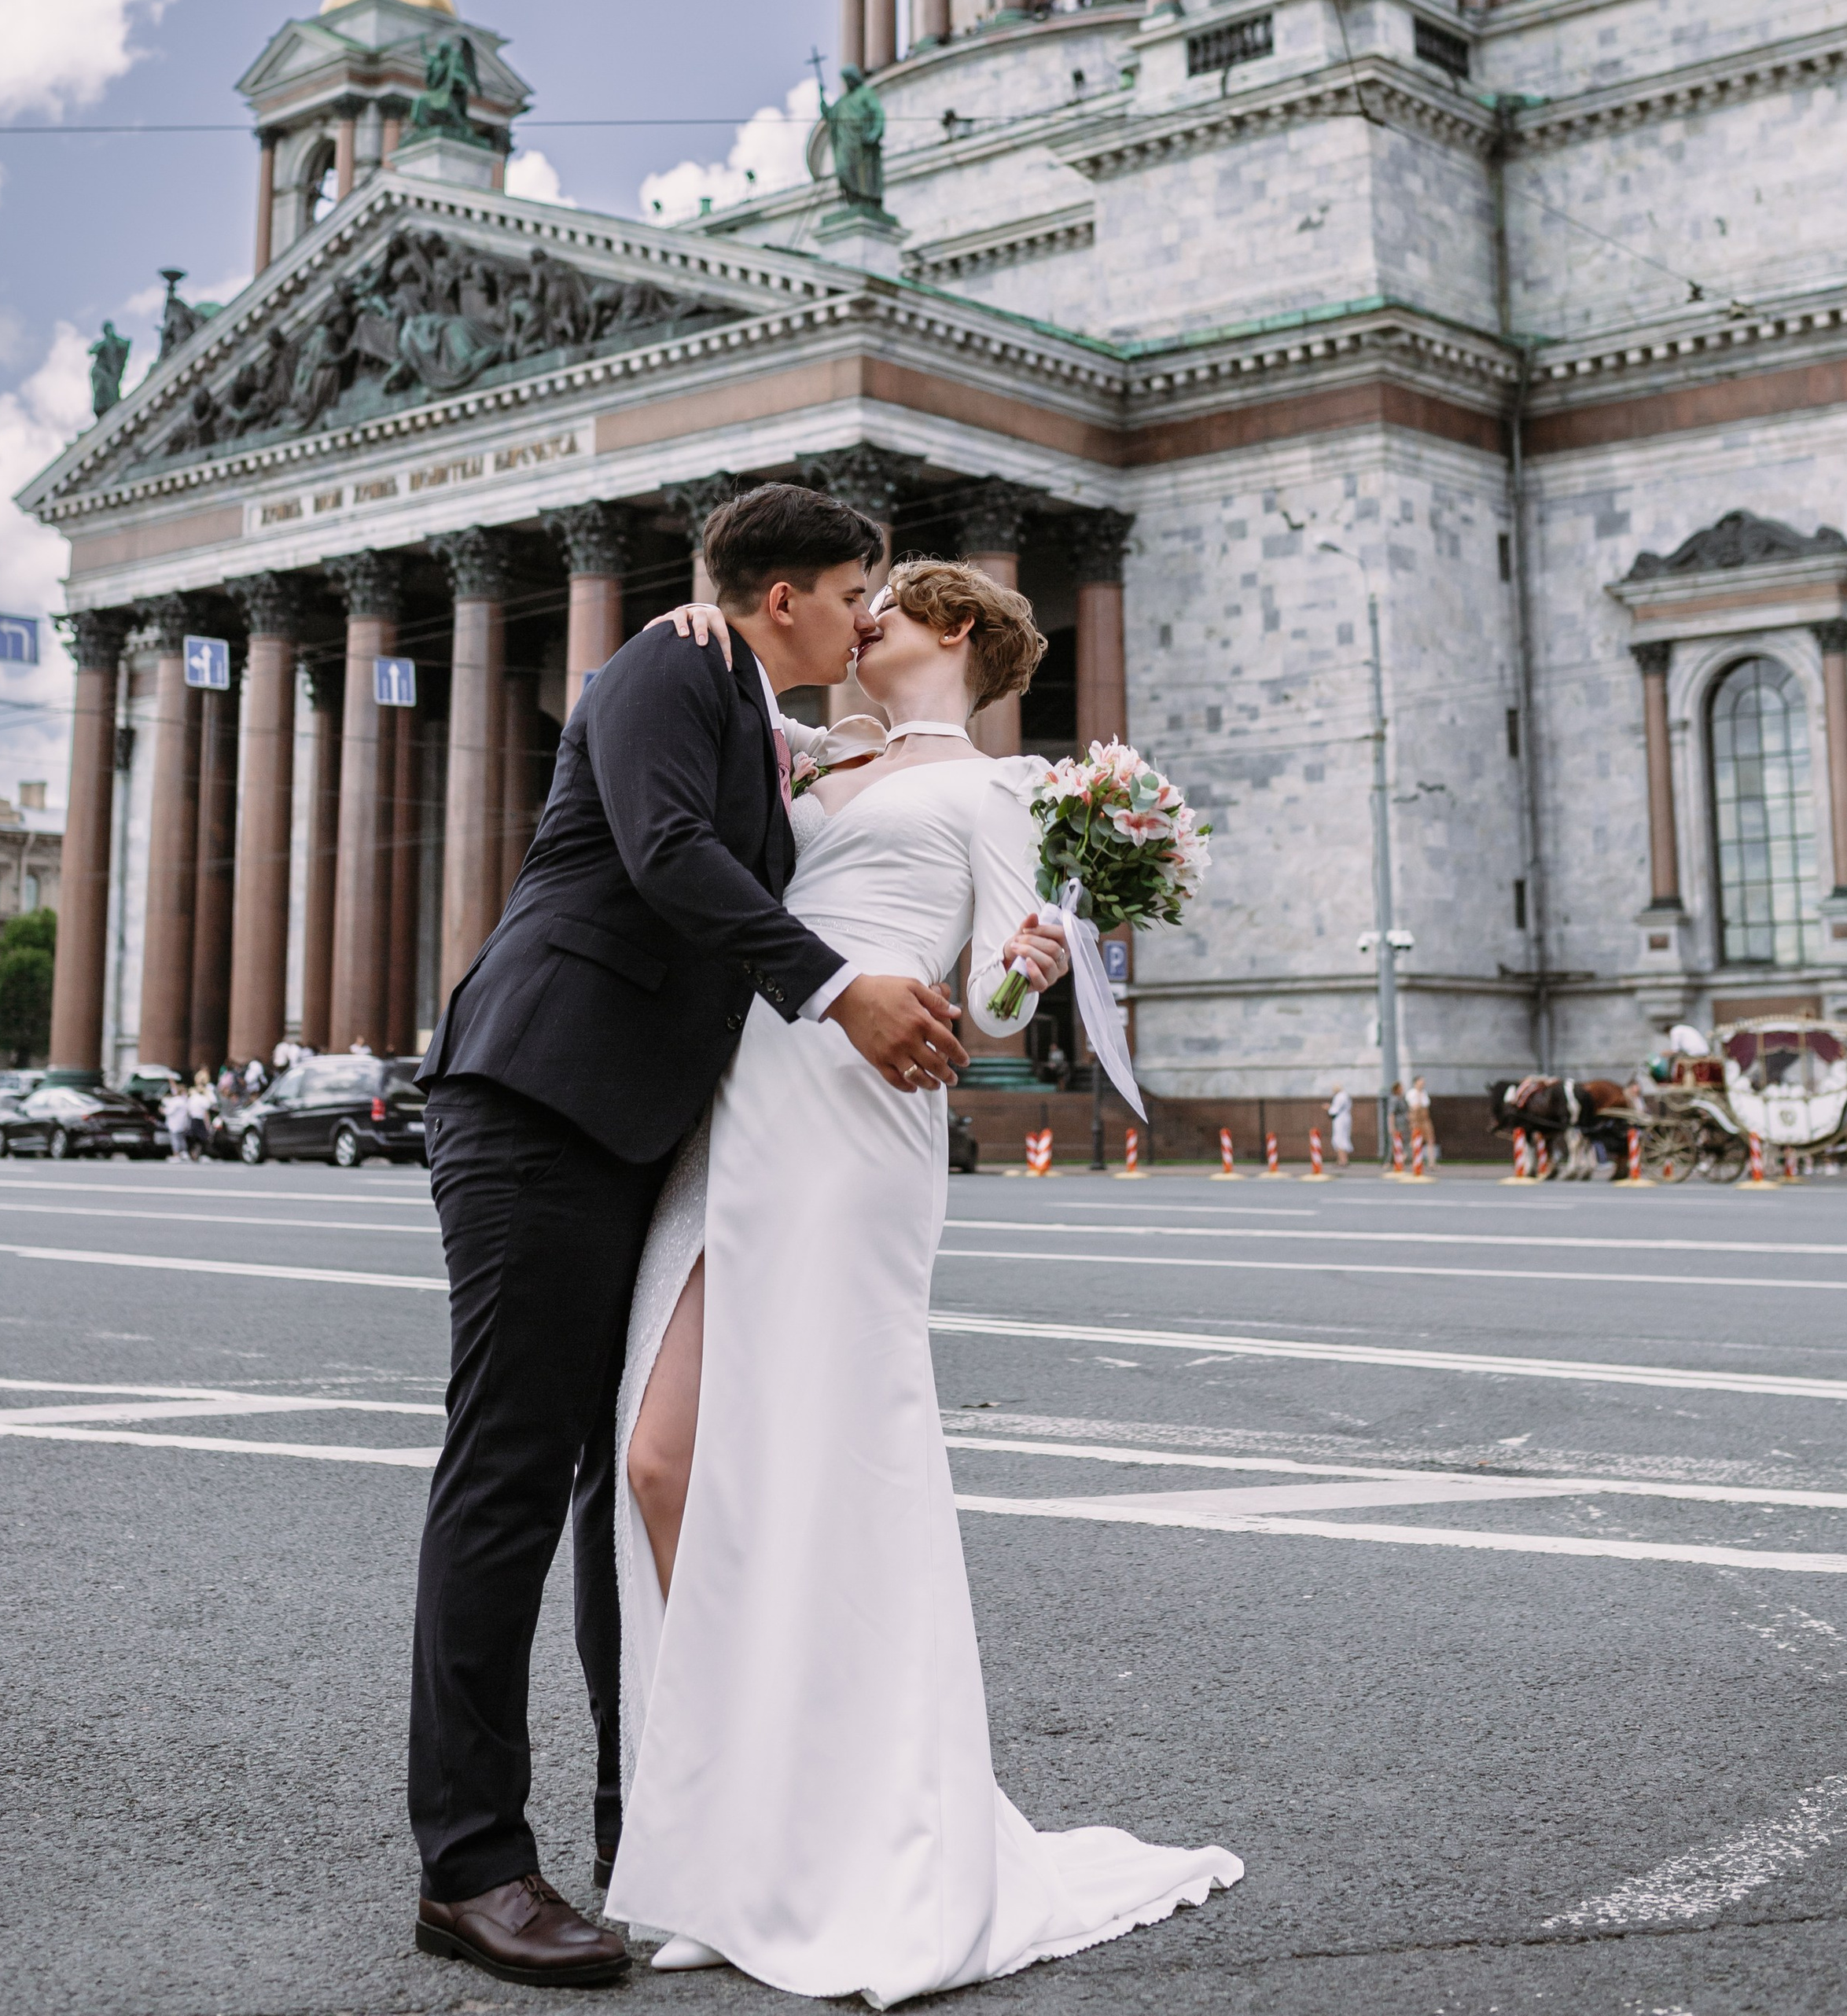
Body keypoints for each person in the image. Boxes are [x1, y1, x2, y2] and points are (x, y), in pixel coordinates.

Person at [609, 559, 1241, 1996]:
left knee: (837, 1469)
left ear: (954, 632)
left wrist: (1028, 960)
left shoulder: (1000, 790)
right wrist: (691, 632)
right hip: (735, 1116)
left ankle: (861, 1839)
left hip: (851, 1124)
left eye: (886, 599)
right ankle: (732, 1829)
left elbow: (1004, 1006)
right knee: (665, 1460)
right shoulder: (810, 759)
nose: (860, 614)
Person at [407, 486, 985, 1990]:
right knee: (513, 1474)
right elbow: (668, 854)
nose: (873, 616)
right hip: (539, 1098)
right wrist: (838, 989)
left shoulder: (738, 695)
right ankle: (470, 1867)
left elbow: (830, 797)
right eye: (857, 589)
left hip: (630, 1127)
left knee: (615, 1473)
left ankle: (640, 1830)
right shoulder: (668, 666)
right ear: (784, 595)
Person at [1328, 1081, 1353, 1168]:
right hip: (1346, 1118)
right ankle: (1343, 1159)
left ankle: (1343, 1160)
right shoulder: (1346, 1096)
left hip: (1340, 1119)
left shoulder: (1339, 1097)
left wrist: (1328, 1108)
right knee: (1344, 1138)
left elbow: (1334, 1110)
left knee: (1339, 1139)